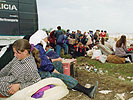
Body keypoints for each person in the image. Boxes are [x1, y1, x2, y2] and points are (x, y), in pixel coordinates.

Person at [30, 31, 98, 99]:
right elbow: (44, 64)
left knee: (58, 64)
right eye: (46, 38)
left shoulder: (35, 46)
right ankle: (86, 91)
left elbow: (43, 61)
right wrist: (54, 70)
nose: (47, 40)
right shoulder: (38, 47)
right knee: (61, 76)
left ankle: (58, 83)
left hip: (39, 70)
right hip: (40, 73)